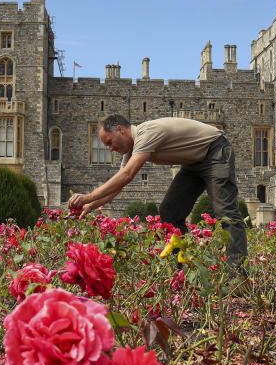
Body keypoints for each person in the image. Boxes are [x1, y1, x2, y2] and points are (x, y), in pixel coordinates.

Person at [67, 114, 247, 270]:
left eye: (110, 142)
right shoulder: (132, 149)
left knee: (226, 213)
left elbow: (128, 175)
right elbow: (119, 184)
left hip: (215, 152)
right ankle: (183, 269)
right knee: (170, 212)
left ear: (120, 130)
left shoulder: (147, 133)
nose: (110, 149)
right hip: (193, 163)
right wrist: (91, 205)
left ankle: (237, 273)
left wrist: (89, 196)